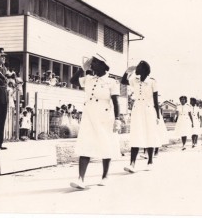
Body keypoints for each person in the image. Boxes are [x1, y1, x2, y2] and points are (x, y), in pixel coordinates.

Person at [69, 54, 121, 189]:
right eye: (91, 63)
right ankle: (81, 179)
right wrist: (82, 68)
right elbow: (73, 81)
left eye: (95, 62)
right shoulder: (88, 79)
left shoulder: (112, 82)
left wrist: (118, 119)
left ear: (103, 65)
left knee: (106, 145)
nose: (91, 65)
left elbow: (116, 102)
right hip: (89, 116)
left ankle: (105, 176)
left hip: (104, 116)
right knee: (85, 144)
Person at [121, 61, 161, 172]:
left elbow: (156, 101)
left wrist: (157, 116)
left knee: (149, 134)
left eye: (138, 67)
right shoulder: (134, 80)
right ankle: (132, 164)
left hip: (149, 110)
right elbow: (123, 81)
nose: (136, 69)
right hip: (137, 109)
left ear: (144, 69)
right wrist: (128, 71)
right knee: (136, 134)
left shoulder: (152, 82)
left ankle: (150, 162)